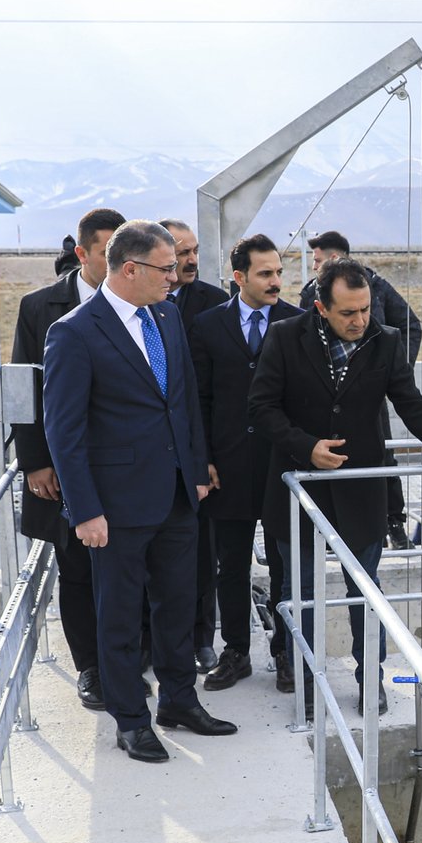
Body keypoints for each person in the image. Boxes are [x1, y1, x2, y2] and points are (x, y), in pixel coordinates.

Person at [251, 256, 422, 715]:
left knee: (366, 592)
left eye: (364, 310)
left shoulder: (386, 341)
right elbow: (260, 408)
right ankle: (305, 683)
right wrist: (307, 446)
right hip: (297, 492)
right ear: (322, 308)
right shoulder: (284, 337)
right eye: (348, 313)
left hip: (360, 495)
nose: (359, 320)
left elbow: (411, 404)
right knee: (298, 596)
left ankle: (370, 680)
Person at [43, 220, 237, 762]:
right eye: (166, 268)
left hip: (176, 495)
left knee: (178, 606)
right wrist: (84, 510)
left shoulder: (167, 316)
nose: (175, 278)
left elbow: (183, 402)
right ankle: (131, 719)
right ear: (130, 269)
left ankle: (179, 700)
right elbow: (64, 430)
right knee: (121, 616)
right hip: (115, 507)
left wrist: (196, 471)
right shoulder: (76, 331)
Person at [10, 206, 125, 712]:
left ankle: (126, 661)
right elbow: (21, 391)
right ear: (82, 254)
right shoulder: (40, 308)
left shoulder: (139, 304)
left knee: (126, 569)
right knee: (76, 569)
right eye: (108, 254)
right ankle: (92, 670)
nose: (121, 263)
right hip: (63, 471)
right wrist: (35, 463)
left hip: (123, 467)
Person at [191, 233, 301, 693]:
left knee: (285, 565)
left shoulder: (297, 323)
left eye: (278, 272)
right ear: (239, 277)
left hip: (282, 468)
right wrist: (204, 461)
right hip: (228, 470)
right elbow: (196, 400)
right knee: (230, 566)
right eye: (266, 273)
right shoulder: (206, 326)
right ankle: (236, 651)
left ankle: (288, 652)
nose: (276, 281)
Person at [297, 230, 422, 547]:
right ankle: (327, 527)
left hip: (369, 395)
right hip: (325, 398)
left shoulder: (376, 286)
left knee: (382, 458)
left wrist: (393, 372)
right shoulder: (312, 293)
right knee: (327, 457)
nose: (314, 267)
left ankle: (392, 521)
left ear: (336, 260)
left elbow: (410, 325)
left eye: (318, 260)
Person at [160, 220, 232, 668]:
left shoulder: (213, 303)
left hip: (199, 454)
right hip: (151, 456)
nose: (190, 261)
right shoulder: (139, 306)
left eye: (194, 251)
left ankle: (202, 636)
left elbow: (215, 392)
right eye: (180, 253)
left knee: (204, 551)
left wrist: (205, 456)